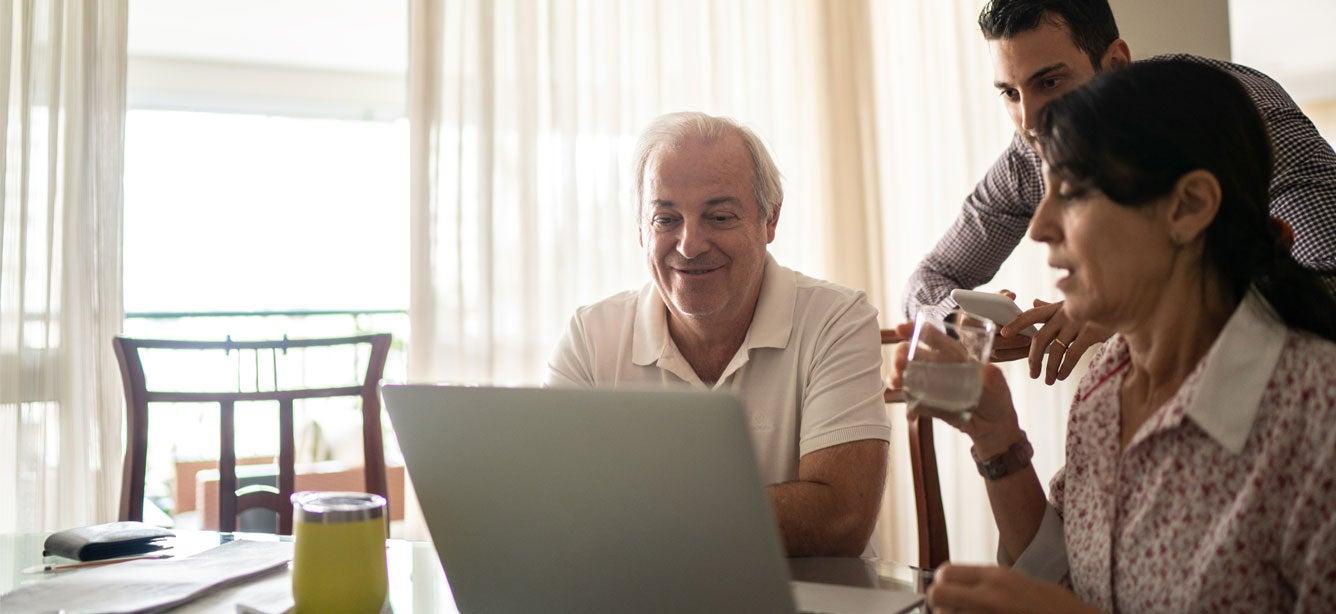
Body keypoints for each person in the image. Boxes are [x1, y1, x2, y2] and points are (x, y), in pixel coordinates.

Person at [892, 60, 1336, 612]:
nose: (1038, 227)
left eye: (1073, 191)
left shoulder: (1318, 419)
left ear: (1189, 206)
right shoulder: (1104, 386)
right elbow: (1068, 577)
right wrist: (996, 436)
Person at [905, 0, 1336, 386]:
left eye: (1050, 83)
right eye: (1010, 94)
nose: (1029, 121)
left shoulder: (1237, 115)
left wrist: (1121, 304)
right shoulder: (1026, 157)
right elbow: (926, 283)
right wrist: (961, 322)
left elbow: (1326, 278)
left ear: (1115, 64)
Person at [545, 112, 891, 557]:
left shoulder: (837, 320)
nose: (689, 244)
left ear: (770, 221)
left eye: (720, 217)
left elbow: (840, 518)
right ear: (640, 230)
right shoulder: (590, 337)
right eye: (665, 219)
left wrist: (635, 513)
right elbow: (552, 509)